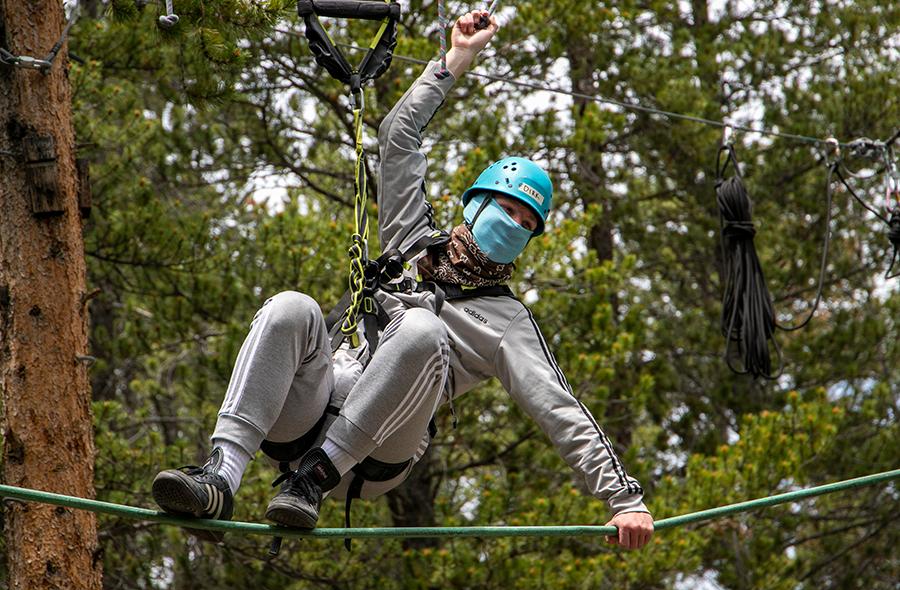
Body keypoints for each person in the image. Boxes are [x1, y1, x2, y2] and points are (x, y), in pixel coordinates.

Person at [151, 10, 654, 551]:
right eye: (509, 210)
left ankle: (313, 482)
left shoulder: (507, 321)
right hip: (311, 408)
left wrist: (623, 499)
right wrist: (458, 59)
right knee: (291, 307)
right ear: (477, 203)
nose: (516, 226)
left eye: (528, 225)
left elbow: (559, 408)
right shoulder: (413, 239)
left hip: (377, 450)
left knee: (421, 331)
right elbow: (398, 136)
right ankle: (221, 475)